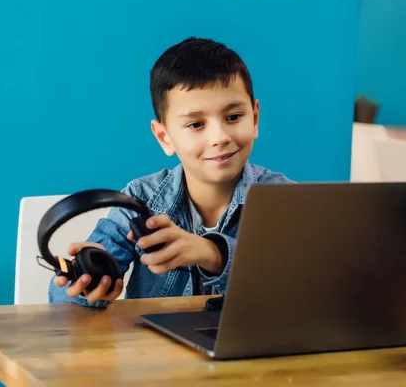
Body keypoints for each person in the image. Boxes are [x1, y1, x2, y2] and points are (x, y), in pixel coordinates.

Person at [48, 37, 293, 308]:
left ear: (254, 119)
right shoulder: (139, 199)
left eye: (234, 117)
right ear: (165, 137)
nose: (220, 137)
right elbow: (61, 303)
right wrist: (88, 285)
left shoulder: (284, 199)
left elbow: (303, 285)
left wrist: (214, 254)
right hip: (153, 351)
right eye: (196, 124)